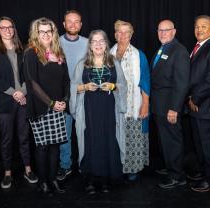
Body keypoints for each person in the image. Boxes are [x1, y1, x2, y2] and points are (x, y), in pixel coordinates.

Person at [70, 30, 127, 194]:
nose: (98, 44)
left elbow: (123, 85)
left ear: (106, 44)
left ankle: (105, 180)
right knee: (90, 141)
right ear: (90, 45)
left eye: (101, 41)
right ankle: (90, 179)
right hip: (89, 110)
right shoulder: (82, 64)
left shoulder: (114, 63)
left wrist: (113, 86)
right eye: (94, 41)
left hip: (109, 110)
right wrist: (85, 87)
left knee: (109, 140)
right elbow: (74, 86)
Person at [0, 16, 38, 189]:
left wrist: (22, 92)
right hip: (5, 103)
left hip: (23, 100)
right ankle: (7, 172)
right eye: (3, 27)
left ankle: (28, 169)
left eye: (10, 27)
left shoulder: (21, 50)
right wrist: (14, 93)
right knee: (7, 139)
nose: (8, 30)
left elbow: (28, 75)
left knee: (24, 137)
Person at [24, 17, 70, 195]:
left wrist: (64, 99)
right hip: (41, 107)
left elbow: (66, 80)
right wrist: (51, 103)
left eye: (48, 31)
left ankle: (53, 181)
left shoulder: (59, 52)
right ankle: (43, 183)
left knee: (55, 146)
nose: (45, 35)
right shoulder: (31, 53)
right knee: (42, 146)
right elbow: (32, 83)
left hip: (58, 106)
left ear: (53, 33)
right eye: (41, 31)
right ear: (36, 33)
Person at [151, 19, 190, 189]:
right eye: (160, 30)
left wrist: (174, 108)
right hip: (160, 105)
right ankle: (170, 167)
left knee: (172, 140)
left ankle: (177, 176)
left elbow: (181, 84)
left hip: (169, 106)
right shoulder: (163, 48)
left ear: (174, 31)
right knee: (165, 140)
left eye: (166, 30)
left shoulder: (179, 51)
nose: (163, 33)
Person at [110, 20, 150, 181]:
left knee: (132, 136)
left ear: (132, 35)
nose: (123, 35)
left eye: (127, 32)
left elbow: (145, 81)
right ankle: (117, 166)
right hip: (112, 105)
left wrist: (145, 105)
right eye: (120, 31)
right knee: (115, 136)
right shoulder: (108, 53)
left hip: (134, 105)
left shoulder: (138, 55)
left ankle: (133, 168)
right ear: (115, 34)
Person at [57, 10, 88, 181]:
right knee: (65, 134)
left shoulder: (88, 43)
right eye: (70, 21)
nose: (73, 25)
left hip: (84, 95)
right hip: (64, 97)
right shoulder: (56, 43)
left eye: (77, 21)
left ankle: (85, 163)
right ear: (64, 24)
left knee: (84, 133)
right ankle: (65, 165)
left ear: (81, 25)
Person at [188, 15, 210, 192]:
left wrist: (195, 98)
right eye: (197, 26)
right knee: (199, 144)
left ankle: (208, 179)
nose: (200, 29)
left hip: (205, 106)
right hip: (196, 106)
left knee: (207, 145)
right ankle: (204, 172)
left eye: (204, 26)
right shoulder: (197, 47)